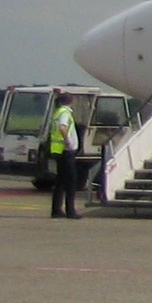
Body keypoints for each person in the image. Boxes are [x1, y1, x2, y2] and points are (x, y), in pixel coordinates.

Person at [44, 89, 84, 220]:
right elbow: (62, 127)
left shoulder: (58, 112)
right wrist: (68, 141)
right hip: (66, 151)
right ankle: (70, 211)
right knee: (71, 181)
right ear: (71, 101)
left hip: (58, 150)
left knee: (60, 181)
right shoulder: (65, 113)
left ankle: (56, 209)